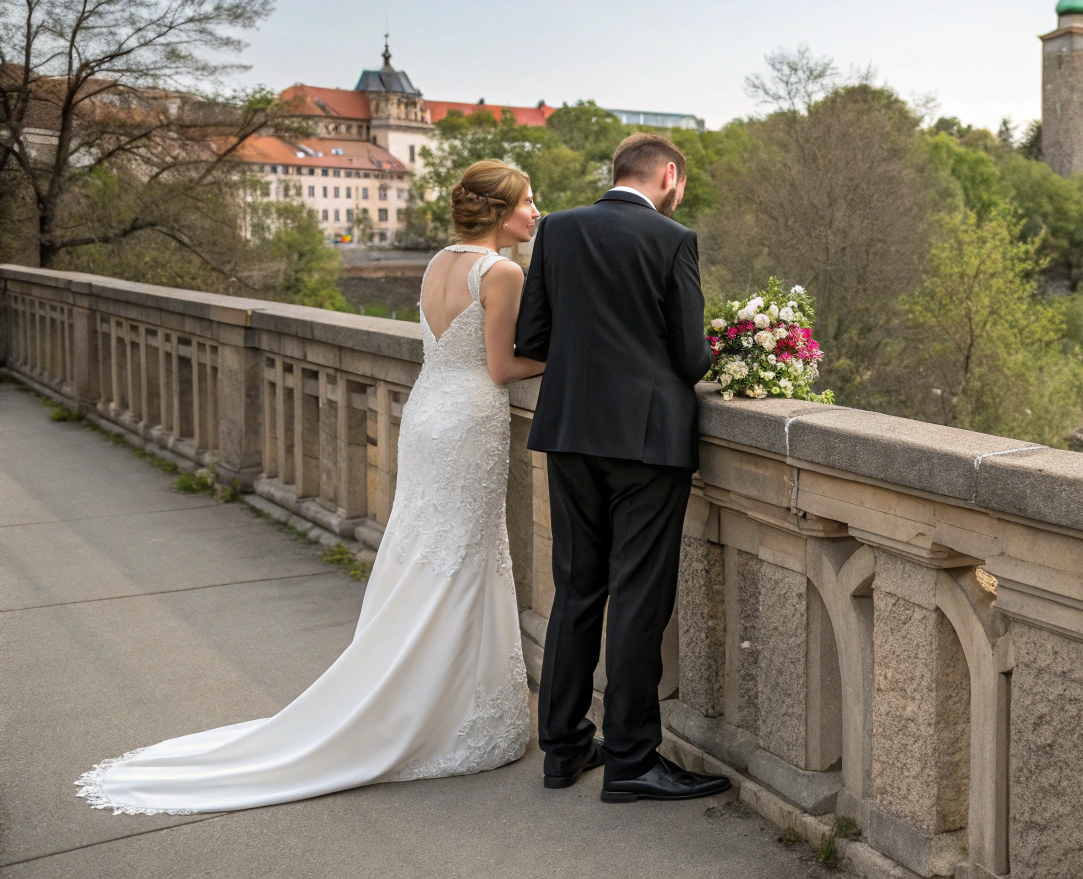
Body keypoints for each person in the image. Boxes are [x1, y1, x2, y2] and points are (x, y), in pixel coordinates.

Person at [77, 160, 547, 814]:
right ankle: (453, 711)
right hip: (468, 418)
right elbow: (502, 366)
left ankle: (437, 697)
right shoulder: (502, 272)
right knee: (464, 560)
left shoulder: (440, 261)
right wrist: (569, 354)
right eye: (529, 201)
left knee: (429, 554)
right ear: (500, 211)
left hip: (428, 411)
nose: (536, 212)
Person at [514, 133, 728, 802]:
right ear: (669, 175)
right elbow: (693, 359)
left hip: (571, 431)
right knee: (637, 595)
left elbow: (533, 339)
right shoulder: (672, 240)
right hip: (646, 440)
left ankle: (563, 748)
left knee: (576, 589)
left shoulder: (558, 232)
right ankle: (634, 760)